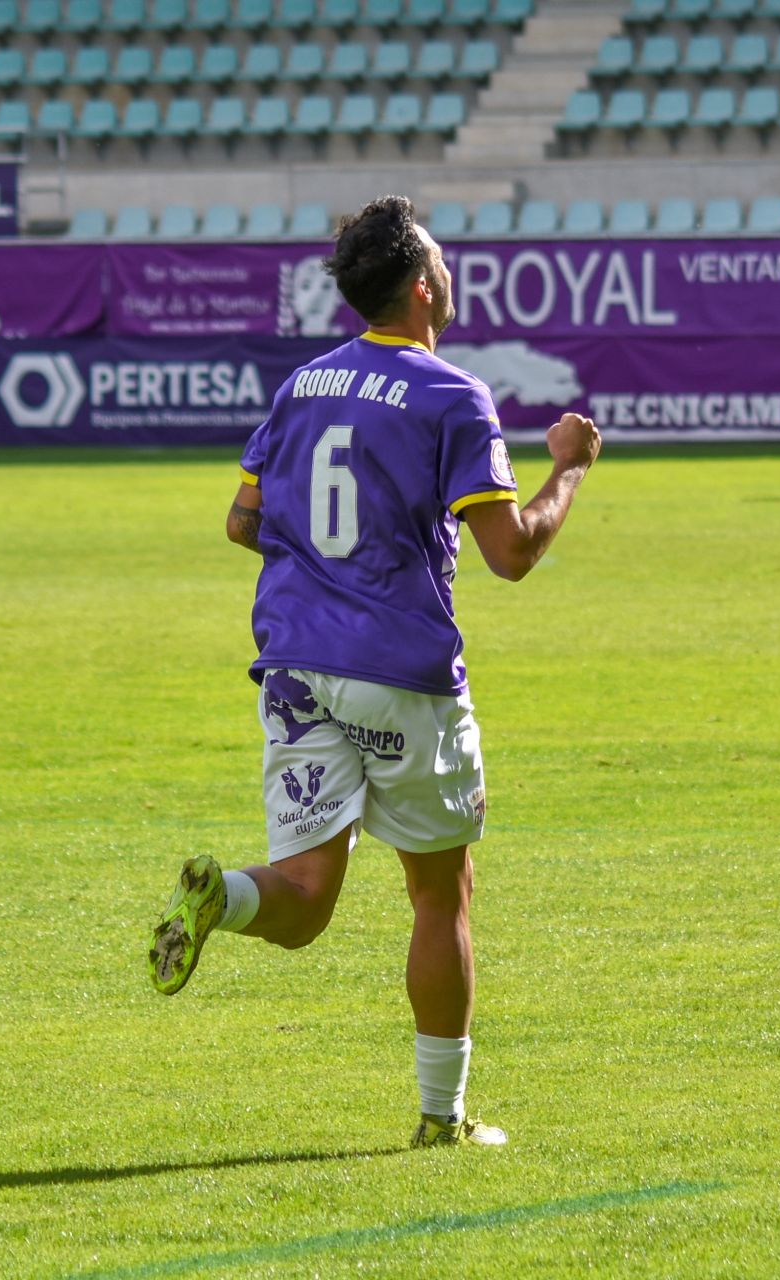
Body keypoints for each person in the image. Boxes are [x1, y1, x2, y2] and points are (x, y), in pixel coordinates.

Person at [145, 194, 603, 1150]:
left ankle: (219, 893)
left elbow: (241, 522)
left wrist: (321, 560)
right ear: (426, 285)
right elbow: (511, 554)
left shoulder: (304, 384)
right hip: (399, 669)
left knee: (305, 900)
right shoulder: (452, 395)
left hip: (296, 666)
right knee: (441, 895)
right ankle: (443, 1119)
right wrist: (568, 470)